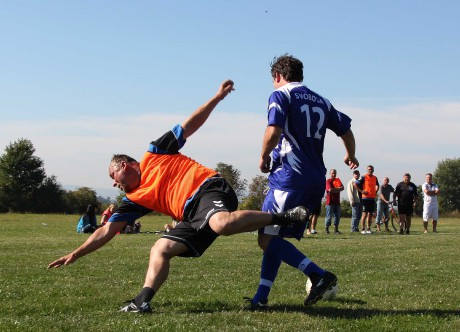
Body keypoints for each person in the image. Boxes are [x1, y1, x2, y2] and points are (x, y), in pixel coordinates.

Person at [48, 80, 309, 314]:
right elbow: (106, 232)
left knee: (221, 223)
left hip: (209, 188)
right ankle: (142, 302)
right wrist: (76, 253)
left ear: (125, 166)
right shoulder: (134, 199)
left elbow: (189, 125)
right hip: (192, 216)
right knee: (160, 248)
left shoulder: (155, 152)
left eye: (112, 176)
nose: (112, 182)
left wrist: (217, 98)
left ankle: (286, 217)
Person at [248, 54, 359, 310]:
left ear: (278, 75)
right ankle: (260, 298)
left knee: (265, 237)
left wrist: (264, 156)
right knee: (273, 237)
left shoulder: (281, 95)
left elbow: (273, 130)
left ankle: (317, 274)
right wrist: (350, 155)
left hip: (288, 177)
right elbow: (346, 130)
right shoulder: (322, 100)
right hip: (315, 179)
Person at [354, 165, 379, 234]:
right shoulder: (364, 177)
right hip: (365, 198)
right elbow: (355, 184)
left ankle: (368, 228)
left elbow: (377, 185)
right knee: (364, 214)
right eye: (369, 169)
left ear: (373, 170)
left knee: (370, 214)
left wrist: (375, 192)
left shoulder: (375, 178)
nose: (370, 170)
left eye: (371, 169)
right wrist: (361, 191)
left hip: (372, 198)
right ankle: (363, 228)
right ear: (367, 170)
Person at [325, 169, 344, 234]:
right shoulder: (328, 181)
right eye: (332, 173)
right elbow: (330, 190)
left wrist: (335, 190)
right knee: (329, 217)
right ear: (330, 174)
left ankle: (336, 230)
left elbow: (342, 188)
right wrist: (338, 189)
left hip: (337, 202)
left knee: (337, 217)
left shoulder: (338, 180)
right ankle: (326, 229)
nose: (334, 174)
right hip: (330, 202)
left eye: (335, 173)